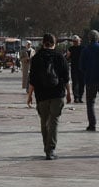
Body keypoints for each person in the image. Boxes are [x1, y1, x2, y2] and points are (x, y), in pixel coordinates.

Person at [26, 32, 72, 160]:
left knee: (44, 122)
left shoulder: (36, 58)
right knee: (54, 121)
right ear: (54, 43)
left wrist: (29, 96)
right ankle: (50, 149)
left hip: (41, 95)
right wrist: (69, 93)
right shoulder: (60, 57)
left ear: (43, 42)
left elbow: (32, 80)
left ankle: (47, 147)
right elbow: (66, 78)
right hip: (57, 93)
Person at [67, 35, 84, 103]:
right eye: (74, 41)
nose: (75, 42)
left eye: (76, 41)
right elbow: (67, 57)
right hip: (74, 68)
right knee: (75, 83)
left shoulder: (83, 48)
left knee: (82, 83)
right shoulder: (71, 48)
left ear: (80, 41)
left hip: (82, 68)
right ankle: (76, 97)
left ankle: (80, 97)